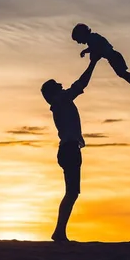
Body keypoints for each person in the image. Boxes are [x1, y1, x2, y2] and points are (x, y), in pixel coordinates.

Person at [40, 59, 98, 242]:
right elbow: (81, 84)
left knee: (72, 192)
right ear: (53, 93)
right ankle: (59, 232)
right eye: (58, 85)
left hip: (69, 149)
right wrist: (93, 62)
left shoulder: (60, 102)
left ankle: (60, 232)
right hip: (69, 150)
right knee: (72, 192)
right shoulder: (61, 100)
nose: (61, 85)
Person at [72, 23, 130, 98]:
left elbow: (95, 48)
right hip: (113, 58)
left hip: (114, 57)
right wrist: (87, 52)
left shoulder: (92, 38)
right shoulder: (92, 39)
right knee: (123, 74)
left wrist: (86, 52)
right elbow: (95, 48)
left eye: (78, 39)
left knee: (123, 74)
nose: (79, 42)